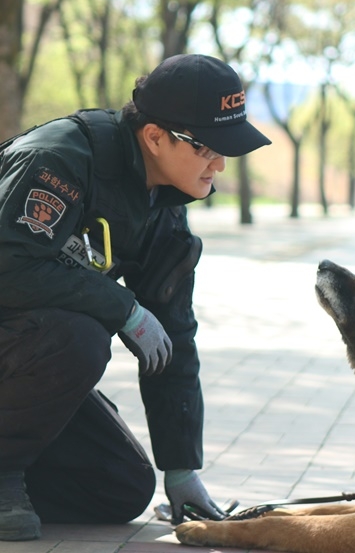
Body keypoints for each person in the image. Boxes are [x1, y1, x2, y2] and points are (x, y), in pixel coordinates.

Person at [0, 53, 271, 541]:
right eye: (209, 147)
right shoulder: (58, 161)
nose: (221, 164)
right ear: (154, 137)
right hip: (25, 340)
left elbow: (173, 336)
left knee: (120, 489)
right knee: (79, 337)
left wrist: (181, 467)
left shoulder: (164, 204)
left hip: (19, 356)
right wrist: (122, 307)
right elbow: (8, 268)